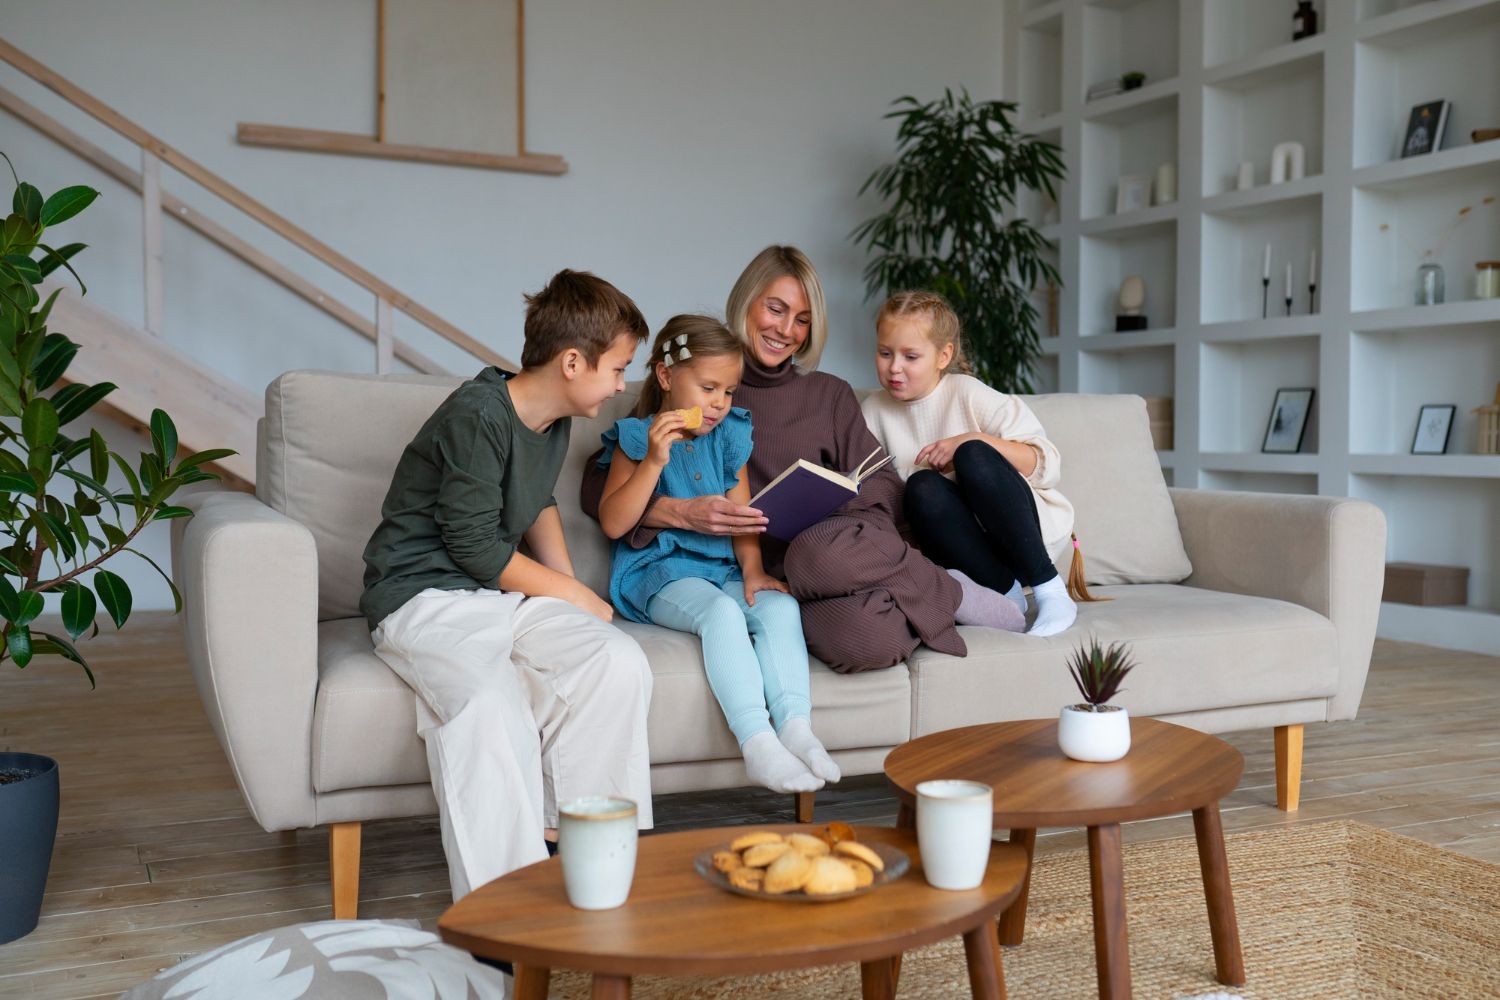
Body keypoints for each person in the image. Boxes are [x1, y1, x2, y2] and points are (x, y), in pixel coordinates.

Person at [581, 246, 1020, 672]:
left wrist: (831, 505)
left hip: (837, 551)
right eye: (776, 309)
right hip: (770, 576)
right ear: (747, 301)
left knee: (817, 551)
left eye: (803, 320)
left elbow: (883, 484)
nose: (787, 329)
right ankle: (935, 592)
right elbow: (600, 484)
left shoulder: (829, 394)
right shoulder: (700, 383)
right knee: (867, 641)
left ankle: (930, 587)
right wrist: (680, 511)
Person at [360, 269, 655, 902]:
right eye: (618, 368)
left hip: (492, 596)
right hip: (420, 596)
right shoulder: (477, 413)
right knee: (491, 707)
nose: (620, 385)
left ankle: (575, 847)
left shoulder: (555, 419)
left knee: (616, 659)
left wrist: (573, 595)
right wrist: (571, 594)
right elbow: (471, 544)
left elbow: (536, 500)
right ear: (572, 362)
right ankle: (504, 909)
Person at [597, 314, 839, 793]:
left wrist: (753, 571)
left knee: (779, 606)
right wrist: (654, 461)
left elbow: (741, 516)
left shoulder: (730, 434)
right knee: (722, 613)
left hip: (722, 568)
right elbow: (614, 522)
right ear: (666, 376)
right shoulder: (637, 437)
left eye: (728, 392)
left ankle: (796, 727)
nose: (719, 403)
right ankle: (757, 742)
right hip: (658, 573)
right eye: (708, 388)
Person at [861, 290, 1100, 638]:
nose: (894, 367)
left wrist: (969, 440)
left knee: (972, 452)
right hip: (967, 558)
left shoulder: (968, 393)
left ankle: (1050, 589)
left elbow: (1046, 462)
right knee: (921, 486)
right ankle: (1007, 597)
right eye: (885, 353)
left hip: (1022, 540)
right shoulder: (873, 411)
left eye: (910, 356)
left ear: (944, 356)